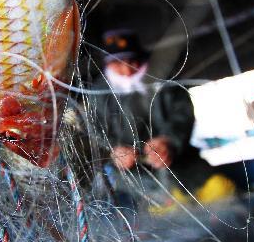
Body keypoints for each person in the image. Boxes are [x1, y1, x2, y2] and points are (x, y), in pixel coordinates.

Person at [92, 28, 215, 200]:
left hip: (186, 168)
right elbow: (93, 132)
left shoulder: (165, 78)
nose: (127, 71)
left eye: (131, 62)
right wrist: (114, 150)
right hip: (139, 186)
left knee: (222, 191)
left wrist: (168, 139)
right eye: (118, 63)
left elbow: (183, 111)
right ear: (107, 65)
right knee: (162, 217)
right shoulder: (96, 95)